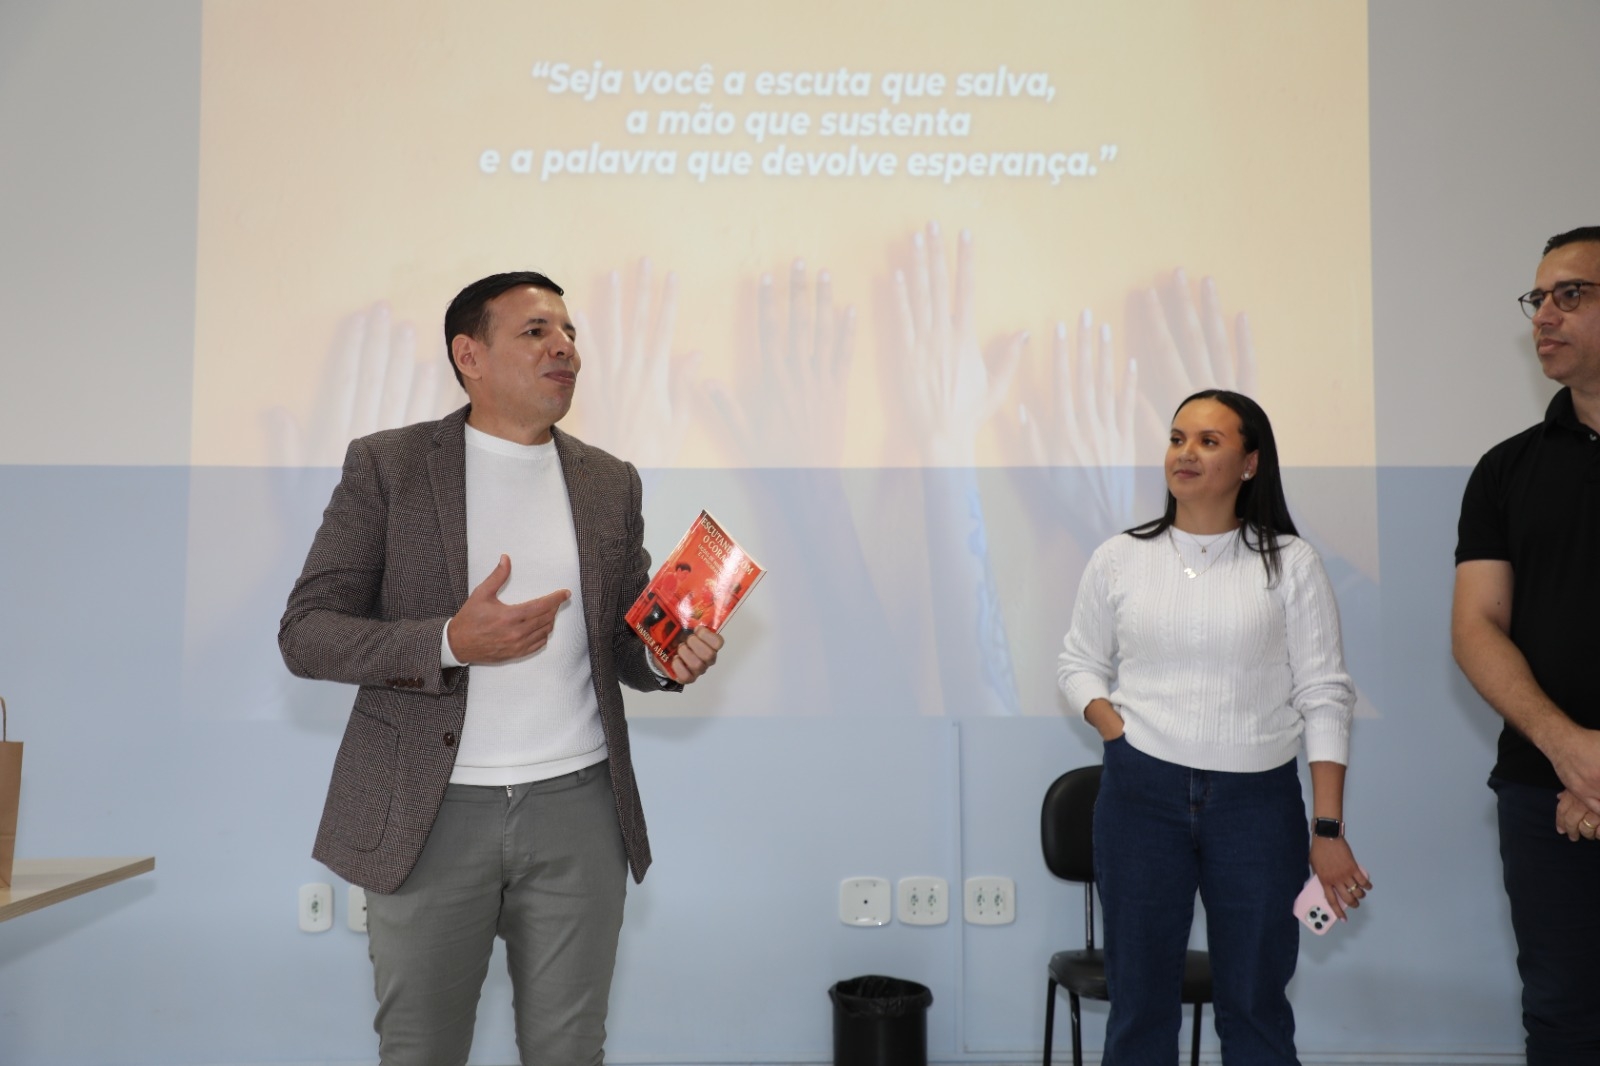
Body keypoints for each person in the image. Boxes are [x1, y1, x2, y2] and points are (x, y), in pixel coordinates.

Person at [278, 271, 723, 1066]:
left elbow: (623, 641)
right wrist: (451, 641)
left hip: (580, 809)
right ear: (469, 355)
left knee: (569, 1051)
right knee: (420, 1051)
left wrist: (665, 659)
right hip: (428, 812)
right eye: (536, 331)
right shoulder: (390, 467)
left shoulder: (609, 480)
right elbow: (306, 634)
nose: (565, 348)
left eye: (571, 332)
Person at [1057, 389, 1367, 1065]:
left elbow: (1324, 695)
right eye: (1177, 438)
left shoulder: (1292, 562)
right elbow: (1078, 663)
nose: (1185, 453)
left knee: (1255, 1005)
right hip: (1140, 794)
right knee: (1139, 1006)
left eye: (1208, 441)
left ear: (1250, 463)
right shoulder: (1119, 557)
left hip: (1257, 803)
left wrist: (1327, 828)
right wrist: (1117, 732)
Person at [1452, 226, 1600, 1066]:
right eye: (1538, 298)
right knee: (1562, 1018)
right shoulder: (1505, 470)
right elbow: (1476, 626)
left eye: (1569, 294)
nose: (1544, 315)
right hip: (1545, 794)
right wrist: (1572, 753)